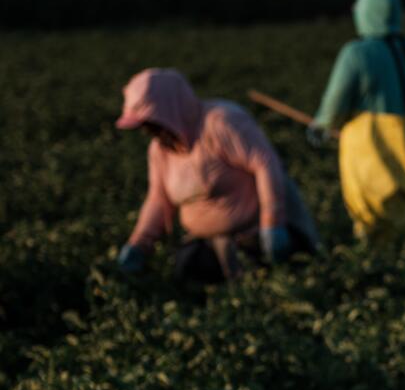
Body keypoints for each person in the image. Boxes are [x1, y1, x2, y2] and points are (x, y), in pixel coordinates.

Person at [115, 68, 321, 282]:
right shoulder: (160, 150)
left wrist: (272, 223)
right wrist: (139, 243)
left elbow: (265, 164)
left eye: (151, 123)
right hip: (207, 245)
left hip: (252, 236)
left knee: (270, 281)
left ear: (169, 111)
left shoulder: (221, 123)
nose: (149, 132)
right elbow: (158, 199)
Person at [309, 0, 405, 242]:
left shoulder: (357, 54)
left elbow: (335, 104)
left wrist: (322, 125)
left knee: (376, 228)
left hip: (376, 157)